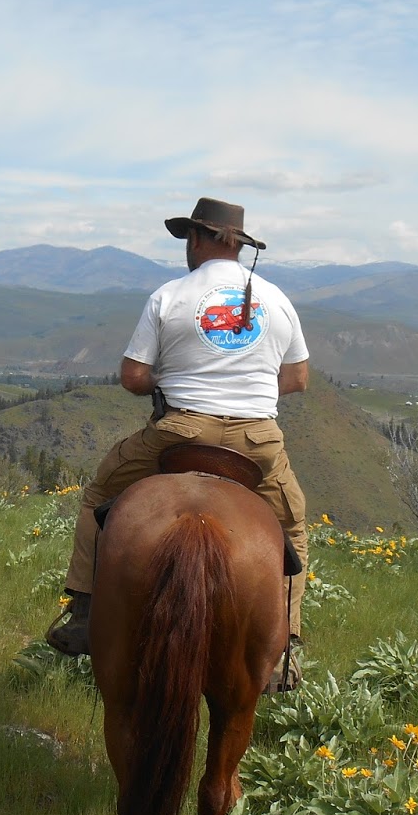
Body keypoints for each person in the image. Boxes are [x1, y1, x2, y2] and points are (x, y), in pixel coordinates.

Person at [45, 198, 310, 688]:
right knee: (291, 530)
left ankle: (83, 611)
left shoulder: (169, 295)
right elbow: (297, 378)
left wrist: (171, 380)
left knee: (99, 494)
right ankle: (284, 650)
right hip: (257, 441)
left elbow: (132, 376)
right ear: (238, 242)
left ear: (197, 238)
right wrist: (248, 386)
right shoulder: (276, 298)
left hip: (181, 431)